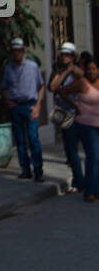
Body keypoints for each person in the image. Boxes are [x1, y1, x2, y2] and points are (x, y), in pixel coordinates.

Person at [1, 37, 44, 182]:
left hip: (30, 106)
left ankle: (38, 171)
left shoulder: (32, 66)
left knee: (33, 139)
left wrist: (38, 106)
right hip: (16, 107)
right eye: (14, 51)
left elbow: (41, 86)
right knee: (20, 141)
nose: (16, 54)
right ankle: (25, 169)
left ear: (23, 51)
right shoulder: (8, 68)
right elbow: (4, 87)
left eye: (19, 51)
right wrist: (8, 102)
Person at [48, 42, 84, 195]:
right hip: (61, 114)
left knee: (72, 149)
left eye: (68, 55)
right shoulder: (58, 70)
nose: (64, 57)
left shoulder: (77, 72)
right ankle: (78, 179)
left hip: (75, 113)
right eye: (63, 54)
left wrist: (70, 70)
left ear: (73, 56)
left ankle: (79, 182)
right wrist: (64, 72)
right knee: (69, 150)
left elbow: (81, 79)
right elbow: (52, 87)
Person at [63, 59, 99, 202]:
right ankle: (89, 191)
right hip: (86, 125)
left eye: (94, 69)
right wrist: (75, 106)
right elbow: (62, 91)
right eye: (89, 69)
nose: (91, 71)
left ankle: (96, 190)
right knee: (93, 157)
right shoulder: (82, 83)